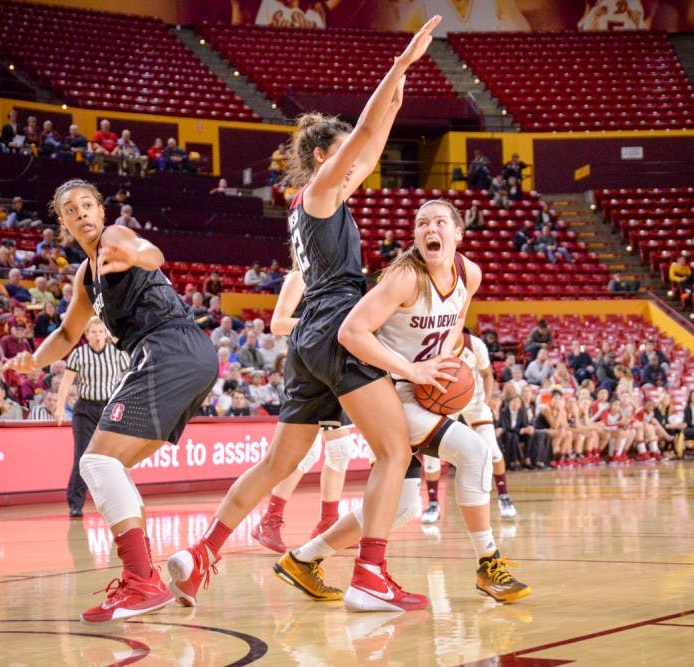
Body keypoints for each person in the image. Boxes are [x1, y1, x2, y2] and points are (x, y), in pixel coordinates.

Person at [167, 17, 444, 614]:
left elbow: (371, 142)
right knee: (396, 451)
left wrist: (399, 91)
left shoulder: (317, 203)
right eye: (341, 152)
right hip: (338, 330)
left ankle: (200, 555)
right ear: (322, 156)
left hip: (310, 342)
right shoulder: (320, 194)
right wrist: (398, 66)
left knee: (280, 462)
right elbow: (366, 134)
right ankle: (371, 575)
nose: (355, 160)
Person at [278, 198, 529, 609]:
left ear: (458, 233)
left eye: (441, 223)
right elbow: (351, 332)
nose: (431, 229)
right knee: (475, 453)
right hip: (383, 388)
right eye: (422, 223)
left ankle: (303, 560)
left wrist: (443, 369)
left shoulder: (470, 274)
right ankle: (488, 563)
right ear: (415, 236)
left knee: (401, 508)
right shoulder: (404, 278)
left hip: (419, 391)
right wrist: (414, 372)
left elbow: (453, 329)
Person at [9, 179, 217, 623]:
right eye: (71, 209)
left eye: (88, 205)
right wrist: (33, 362)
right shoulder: (86, 277)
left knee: (96, 463)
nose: (82, 213)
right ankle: (148, 577)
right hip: (187, 355)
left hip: (169, 348)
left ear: (101, 212)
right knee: (111, 466)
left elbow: (152, 253)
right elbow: (67, 333)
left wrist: (133, 255)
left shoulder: (114, 238)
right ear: (62, 222)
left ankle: (142, 582)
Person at [250, 269, 358, 552]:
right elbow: (278, 324)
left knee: (340, 449)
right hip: (306, 369)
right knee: (306, 451)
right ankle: (270, 520)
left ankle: (327, 523)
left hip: (332, 368)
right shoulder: (299, 276)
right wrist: (325, 323)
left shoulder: (338, 280)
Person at [422, 332, 517, 524]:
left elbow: (487, 374)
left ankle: (504, 498)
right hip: (444, 404)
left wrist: (489, 398)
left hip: (475, 401)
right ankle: (433, 504)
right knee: (430, 456)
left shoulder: (475, 345)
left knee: (492, 450)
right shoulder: (433, 345)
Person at [54, 318, 130, 518]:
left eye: (100, 331)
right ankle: (75, 503)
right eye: (93, 332)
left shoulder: (117, 354)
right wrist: (60, 407)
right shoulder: (79, 354)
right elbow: (66, 382)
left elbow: (132, 374)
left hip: (108, 409)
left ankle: (117, 501)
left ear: (106, 334)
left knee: (113, 457)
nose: (97, 335)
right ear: (86, 335)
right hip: (85, 410)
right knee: (82, 457)